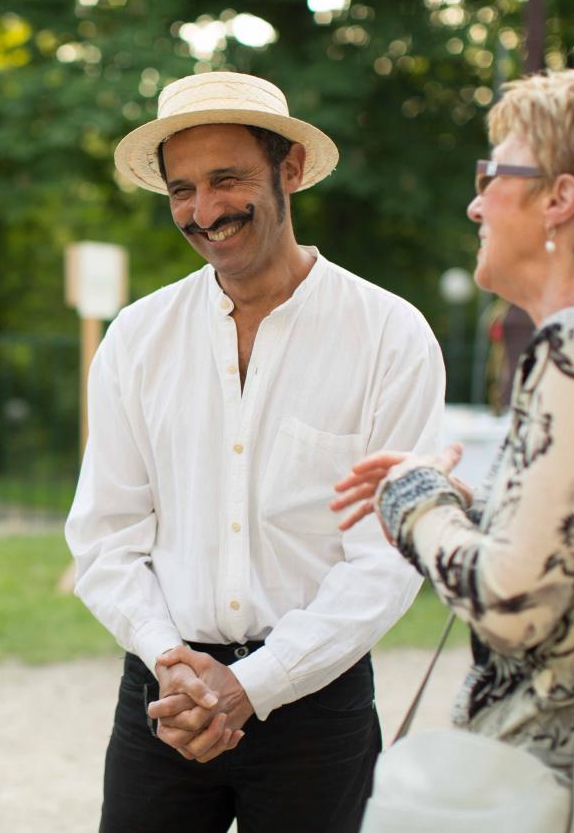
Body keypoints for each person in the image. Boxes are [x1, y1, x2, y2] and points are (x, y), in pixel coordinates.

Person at [65, 71, 445, 832]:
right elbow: (106, 535)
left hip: (317, 706)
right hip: (165, 699)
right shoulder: (137, 340)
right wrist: (172, 662)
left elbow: (387, 557)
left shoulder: (389, 336)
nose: (203, 212)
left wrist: (255, 682)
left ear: (291, 169)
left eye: (227, 179)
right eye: (182, 189)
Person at [332, 67, 574, 831]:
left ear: (560, 198)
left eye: (493, 175)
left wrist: (415, 501)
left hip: (551, 784)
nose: (476, 202)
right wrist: (477, 510)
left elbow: (513, 602)